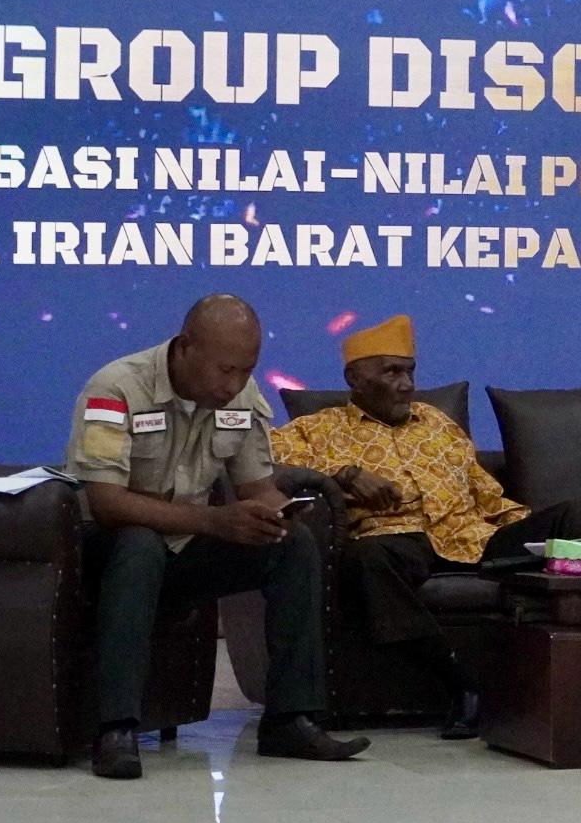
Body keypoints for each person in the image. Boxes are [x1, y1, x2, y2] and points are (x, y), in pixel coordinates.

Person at [63, 294, 369, 778]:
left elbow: (256, 488)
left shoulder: (242, 398)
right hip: (109, 552)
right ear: (186, 347)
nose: (234, 385)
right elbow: (106, 502)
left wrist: (278, 514)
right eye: (225, 370)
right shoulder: (116, 388)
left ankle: (290, 720)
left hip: (184, 550)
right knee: (140, 542)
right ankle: (116, 729)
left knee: (291, 546)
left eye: (246, 371)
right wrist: (215, 521)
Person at [269, 314, 567, 740]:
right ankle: (461, 683)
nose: (407, 385)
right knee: (368, 559)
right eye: (392, 372)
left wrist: (529, 528)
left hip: (471, 535)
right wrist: (345, 474)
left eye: (409, 372)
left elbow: (485, 493)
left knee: (569, 523)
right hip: (396, 541)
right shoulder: (319, 429)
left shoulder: (438, 423)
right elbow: (266, 459)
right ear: (355, 379)